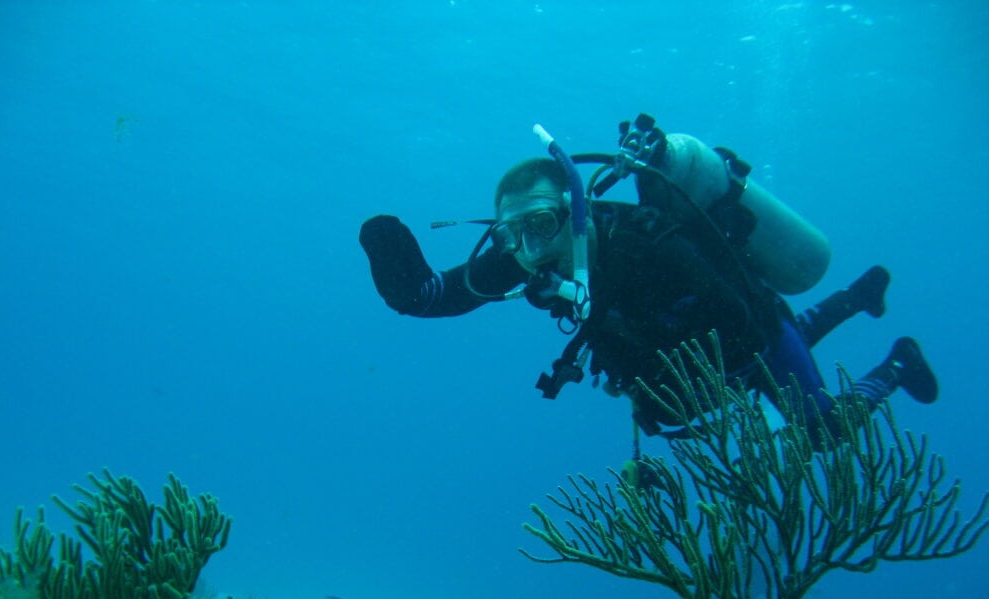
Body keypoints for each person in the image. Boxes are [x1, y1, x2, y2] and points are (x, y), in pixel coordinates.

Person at [359, 116, 937, 447]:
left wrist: (653, 366)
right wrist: (397, 274)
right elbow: (439, 294)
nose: (528, 250)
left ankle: (897, 366)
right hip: (689, 364)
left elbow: (740, 325)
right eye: (511, 235)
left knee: (821, 433)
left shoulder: (652, 244)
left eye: (539, 224)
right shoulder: (529, 250)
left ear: (573, 208)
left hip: (755, 335)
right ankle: (860, 297)